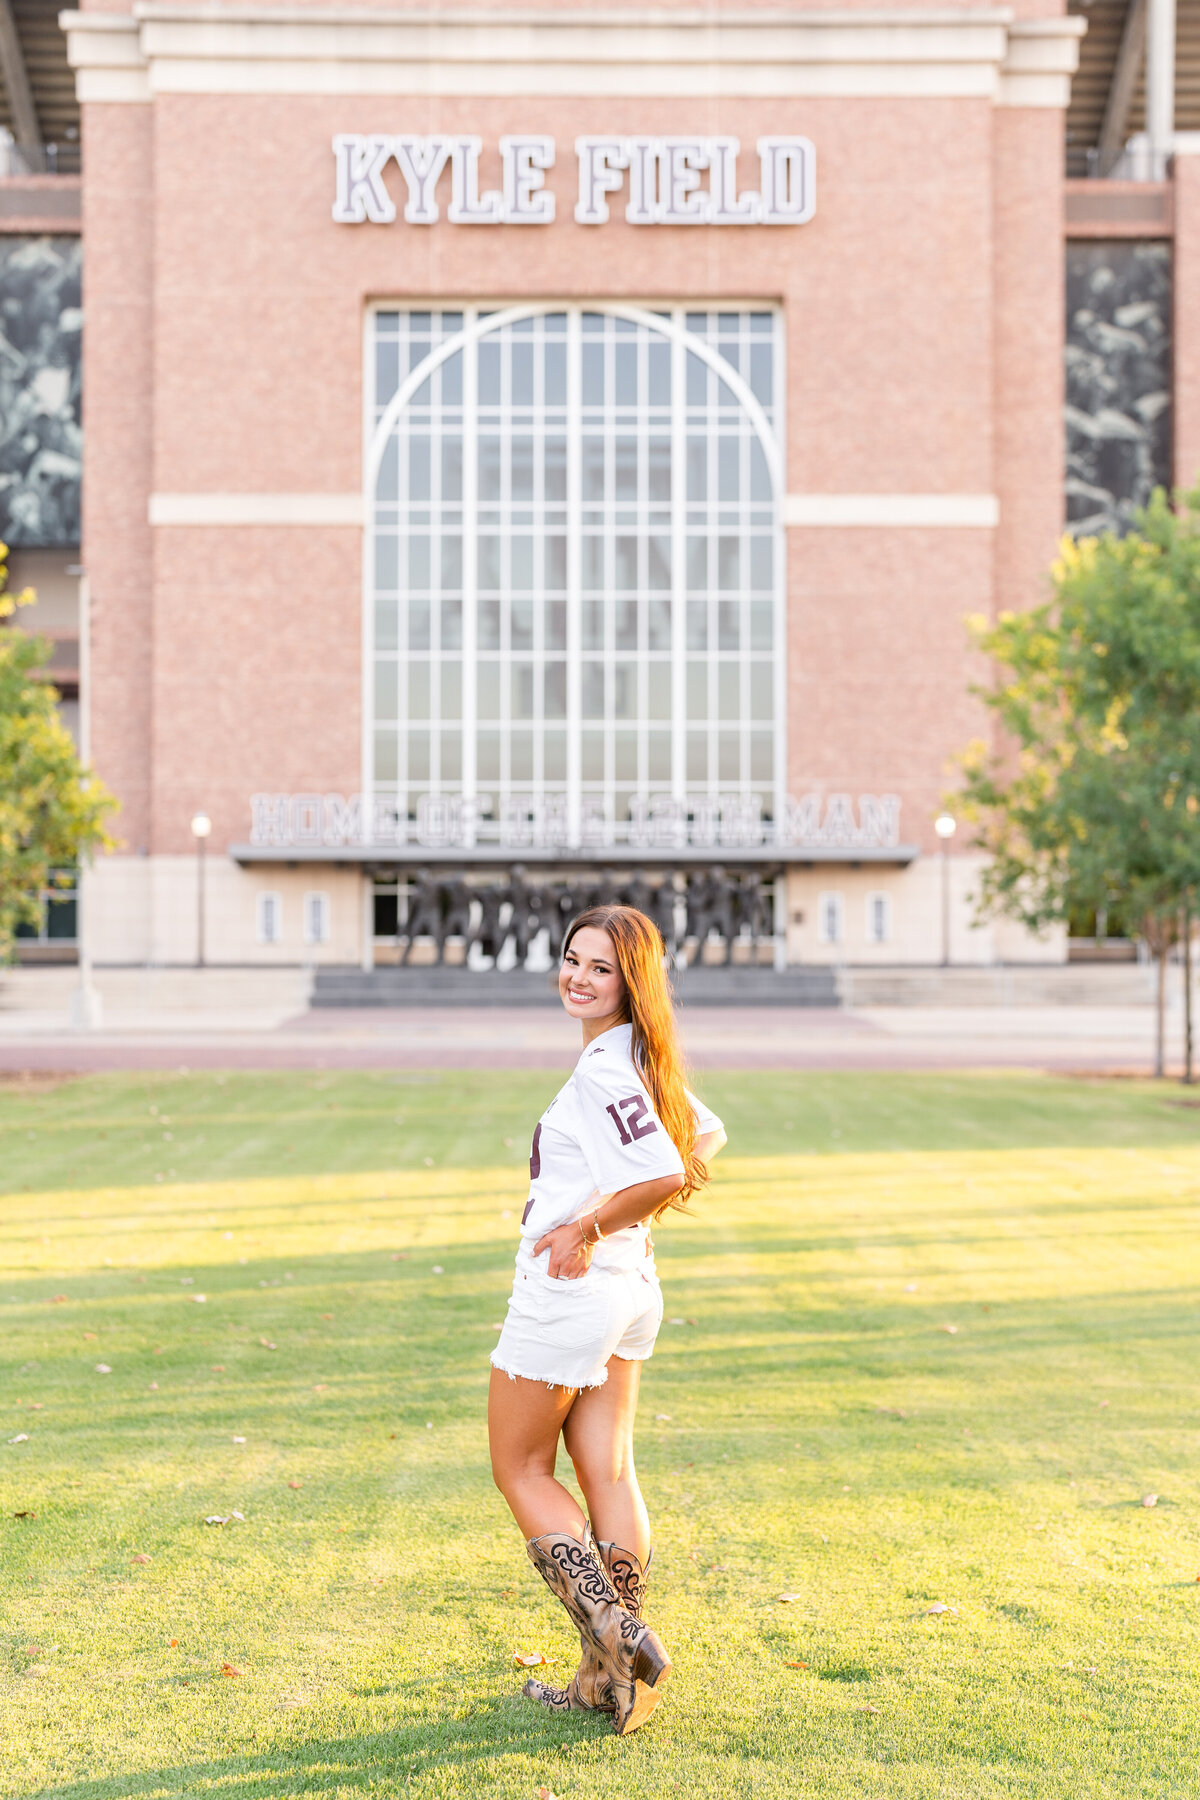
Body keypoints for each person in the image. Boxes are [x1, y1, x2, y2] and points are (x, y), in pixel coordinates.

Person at [488, 903, 728, 1735]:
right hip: (633, 1293)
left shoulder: (600, 1069)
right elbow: (706, 1137)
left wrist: (585, 1226)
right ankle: (605, 1680)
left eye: (601, 968)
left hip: (572, 1291)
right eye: (572, 959)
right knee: (610, 1473)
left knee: (520, 1470)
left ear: (631, 983)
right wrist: (623, 1223)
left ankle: (620, 1635)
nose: (579, 978)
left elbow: (666, 1167)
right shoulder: (640, 1057)